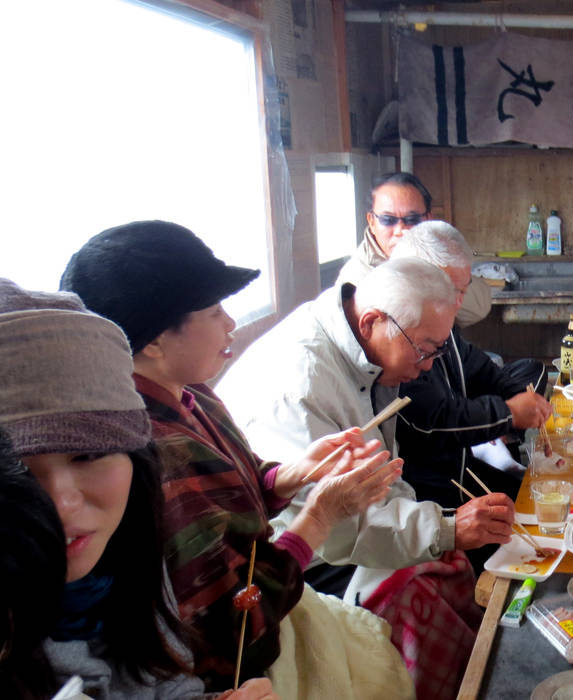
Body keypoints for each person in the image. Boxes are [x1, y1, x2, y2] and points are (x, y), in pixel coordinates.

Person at [59, 222, 411, 697]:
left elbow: (236, 490)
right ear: (156, 340)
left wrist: (289, 476)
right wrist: (321, 513)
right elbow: (235, 625)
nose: (230, 324)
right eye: (213, 311)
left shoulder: (193, 395)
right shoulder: (154, 455)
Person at [216, 256, 516, 700]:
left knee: (450, 560)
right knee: (422, 587)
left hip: (345, 526)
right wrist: (447, 528)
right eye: (426, 350)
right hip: (294, 561)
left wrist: (442, 528)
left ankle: (472, 680)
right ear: (373, 321)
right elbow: (334, 526)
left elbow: (381, 478)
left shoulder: (365, 346)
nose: (431, 365)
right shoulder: (300, 386)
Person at [0, 282, 275, 700]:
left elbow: (162, 679)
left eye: (89, 455)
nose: (61, 504)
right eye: (17, 471)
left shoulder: (129, 542)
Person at [388, 220, 552, 507]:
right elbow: (433, 420)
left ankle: (494, 441)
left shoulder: (442, 323)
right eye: (453, 292)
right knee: (524, 511)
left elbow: (479, 368)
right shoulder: (400, 335)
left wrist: (521, 399)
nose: (459, 303)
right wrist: (507, 414)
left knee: (534, 495)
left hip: (461, 465)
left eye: (463, 290)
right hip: (430, 494)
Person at [337, 172, 493, 327]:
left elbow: (480, 308)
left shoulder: (434, 252)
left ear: (428, 219)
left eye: (412, 219)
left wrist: (430, 264)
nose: (400, 230)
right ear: (371, 221)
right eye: (388, 220)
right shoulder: (355, 278)